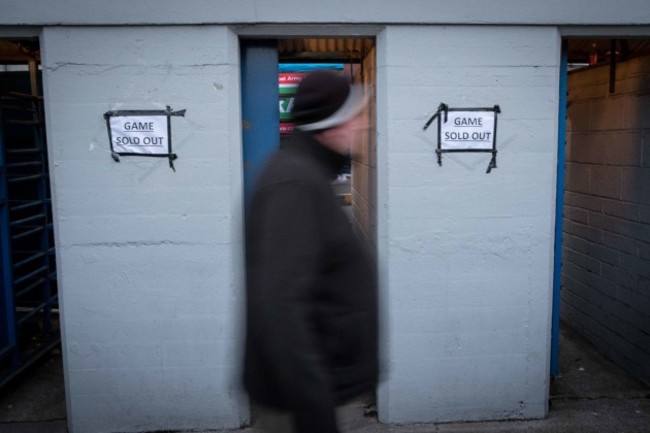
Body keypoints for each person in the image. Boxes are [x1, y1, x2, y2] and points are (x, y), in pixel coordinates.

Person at [243, 70, 379, 433]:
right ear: (334, 124)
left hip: (311, 394)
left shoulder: (308, 175)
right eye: (357, 116)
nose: (363, 125)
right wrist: (315, 414)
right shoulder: (295, 184)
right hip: (298, 405)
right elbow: (280, 307)